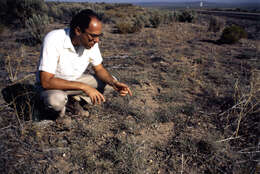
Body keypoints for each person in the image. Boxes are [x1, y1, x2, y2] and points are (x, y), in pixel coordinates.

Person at [36, 9, 132, 117]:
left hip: (74, 82)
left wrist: (114, 83)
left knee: (110, 83)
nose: (97, 41)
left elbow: (99, 69)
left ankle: (74, 101)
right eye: (93, 36)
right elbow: (46, 81)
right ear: (78, 30)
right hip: (53, 87)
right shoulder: (54, 39)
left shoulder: (91, 43)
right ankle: (60, 109)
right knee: (55, 101)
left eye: (99, 36)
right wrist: (84, 87)